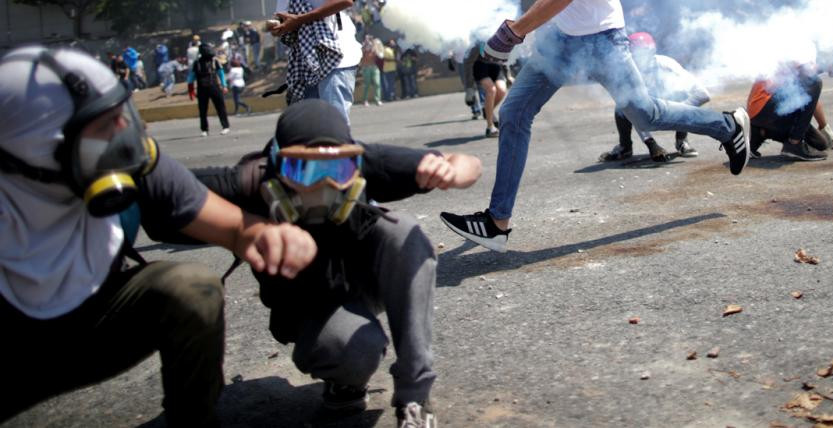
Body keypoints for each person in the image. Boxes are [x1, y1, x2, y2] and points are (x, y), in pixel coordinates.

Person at [440, 0, 750, 253]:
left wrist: (515, 31)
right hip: (565, 39)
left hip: (603, 39)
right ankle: (497, 222)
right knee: (513, 113)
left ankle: (728, 126)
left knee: (647, 113)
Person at [0, 46, 317, 426]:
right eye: (102, 126)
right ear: (35, 152)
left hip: (91, 326)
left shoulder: (131, 163)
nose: (125, 133)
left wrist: (269, 234)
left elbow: (234, 227)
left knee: (191, 288)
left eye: (121, 114)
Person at [191, 99, 481, 426]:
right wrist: (244, 227)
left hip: (360, 280)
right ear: (277, 164)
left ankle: (415, 394)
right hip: (308, 305)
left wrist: (450, 171)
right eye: (303, 168)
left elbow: (469, 162)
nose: (322, 185)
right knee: (356, 350)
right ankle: (346, 382)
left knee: (404, 231)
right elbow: (164, 198)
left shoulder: (364, 162)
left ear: (351, 160)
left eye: (336, 170)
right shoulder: (248, 182)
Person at [253, 0, 362, 122]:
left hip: (334, 54)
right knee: (310, 129)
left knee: (333, 129)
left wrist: (299, 20)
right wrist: (286, 25)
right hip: (311, 59)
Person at [598, 31, 708, 162]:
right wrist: (652, 145)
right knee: (622, 105)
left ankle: (681, 140)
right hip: (648, 107)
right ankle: (625, 146)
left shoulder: (666, 64)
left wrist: (681, 111)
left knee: (682, 94)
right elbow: (634, 110)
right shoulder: (629, 73)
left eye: (644, 53)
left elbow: (702, 94)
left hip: (670, 103)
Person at [747, 40, 833, 161]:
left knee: (820, 143)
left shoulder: (808, 61)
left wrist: (824, 127)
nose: (827, 70)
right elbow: (808, 88)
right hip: (766, 106)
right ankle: (794, 144)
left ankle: (760, 133)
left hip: (758, 113)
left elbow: (809, 99)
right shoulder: (806, 56)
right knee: (815, 82)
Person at [188, 43, 231, 136]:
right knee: (203, 110)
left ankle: (225, 127)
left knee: (220, 108)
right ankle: (205, 129)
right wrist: (191, 90)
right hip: (203, 88)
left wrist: (224, 85)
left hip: (214, 87)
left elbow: (221, 73)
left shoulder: (214, 61)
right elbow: (191, 77)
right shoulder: (197, 63)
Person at [471, 41, 507, 137]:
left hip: (496, 65)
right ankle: (490, 127)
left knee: (502, 90)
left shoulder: (496, 30)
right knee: (491, 90)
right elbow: (466, 61)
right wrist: (468, 87)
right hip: (480, 65)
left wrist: (509, 75)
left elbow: (505, 52)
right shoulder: (475, 35)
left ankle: (487, 111)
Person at [358, 35, 383, 107]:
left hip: (374, 67)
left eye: (369, 39)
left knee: (377, 83)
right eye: (367, 39)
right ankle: (365, 100)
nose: (368, 41)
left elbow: (380, 55)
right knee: (367, 84)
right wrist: (364, 47)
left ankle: (377, 100)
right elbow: (360, 57)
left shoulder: (375, 47)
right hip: (366, 68)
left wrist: (375, 47)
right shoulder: (362, 48)